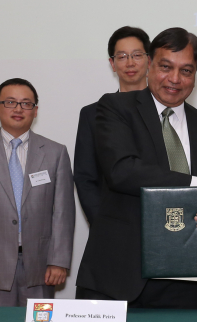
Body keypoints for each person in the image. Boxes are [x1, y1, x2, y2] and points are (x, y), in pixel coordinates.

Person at [75, 28, 197, 310]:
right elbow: (123, 171)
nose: (174, 79)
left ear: (196, 75)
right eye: (165, 67)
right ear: (150, 65)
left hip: (184, 280)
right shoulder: (116, 108)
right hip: (118, 276)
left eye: (186, 70)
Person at [0, 78, 75, 306]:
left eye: (26, 103)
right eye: (10, 102)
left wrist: (58, 261)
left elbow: (63, 213)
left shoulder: (56, 153)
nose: (18, 109)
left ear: (35, 111)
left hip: (42, 268)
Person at [74, 26, 150, 226]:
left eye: (137, 55)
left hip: (162, 222)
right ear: (112, 63)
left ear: (149, 60)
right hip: (111, 226)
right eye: (122, 56)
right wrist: (102, 223)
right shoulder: (92, 114)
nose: (130, 63)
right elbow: (85, 177)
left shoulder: (167, 111)